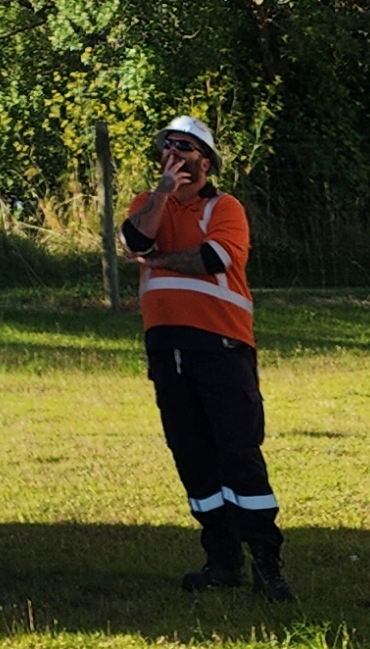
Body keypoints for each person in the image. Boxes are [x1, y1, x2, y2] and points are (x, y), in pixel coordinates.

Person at [120, 115, 290, 600]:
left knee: (237, 452)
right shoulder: (147, 203)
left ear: (207, 161)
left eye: (187, 150)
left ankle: (266, 560)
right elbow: (135, 240)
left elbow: (213, 258)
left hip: (222, 345)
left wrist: (159, 260)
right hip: (167, 348)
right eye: (168, 150)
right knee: (191, 453)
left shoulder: (225, 207)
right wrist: (161, 193)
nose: (177, 158)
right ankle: (222, 559)